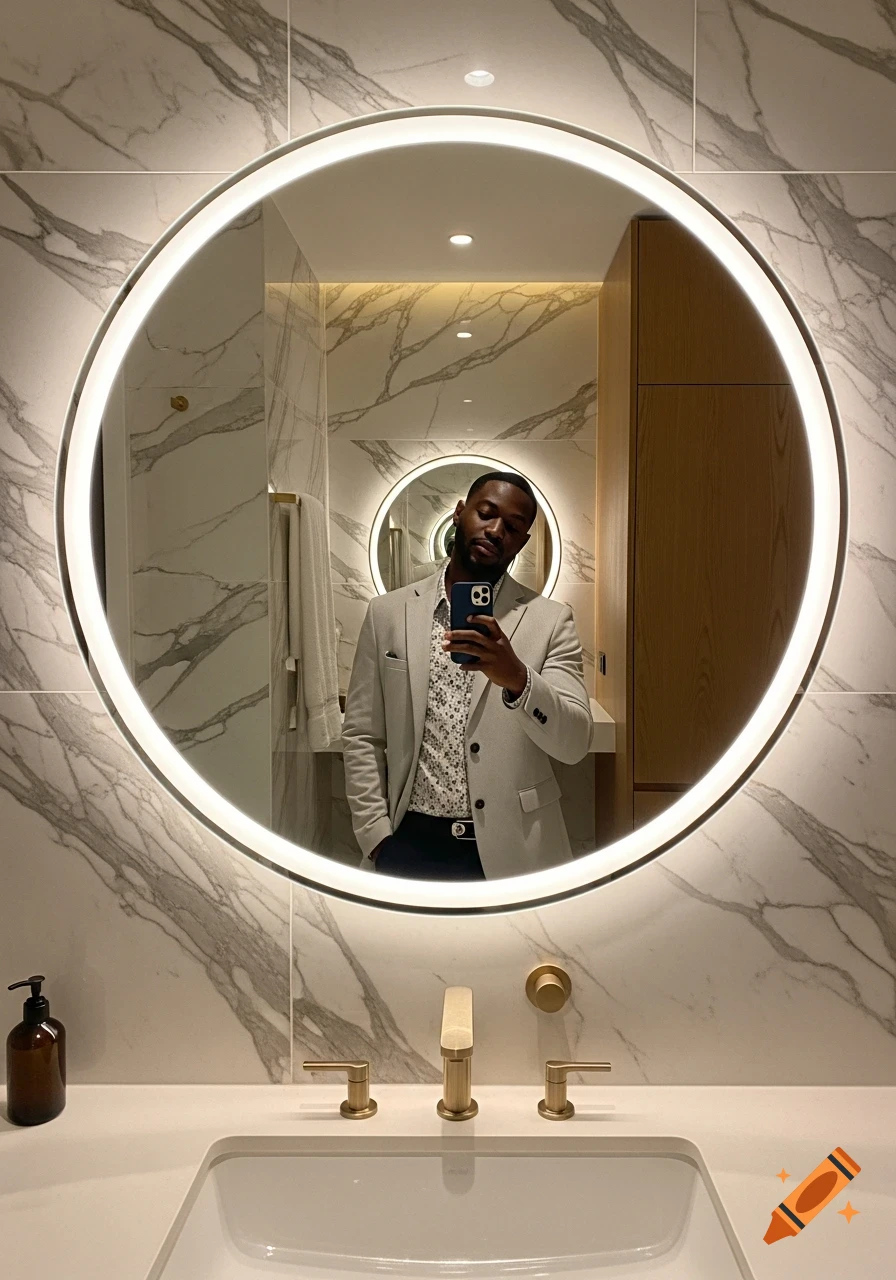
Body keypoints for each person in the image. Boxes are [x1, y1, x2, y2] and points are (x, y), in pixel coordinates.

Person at [342, 471, 592, 881]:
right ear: (460, 513)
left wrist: (517, 678)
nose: (495, 530)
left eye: (512, 527)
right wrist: (377, 837)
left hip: (516, 849)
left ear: (522, 543)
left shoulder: (550, 621)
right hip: (409, 840)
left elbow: (574, 743)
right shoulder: (388, 613)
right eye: (487, 513)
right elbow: (363, 735)